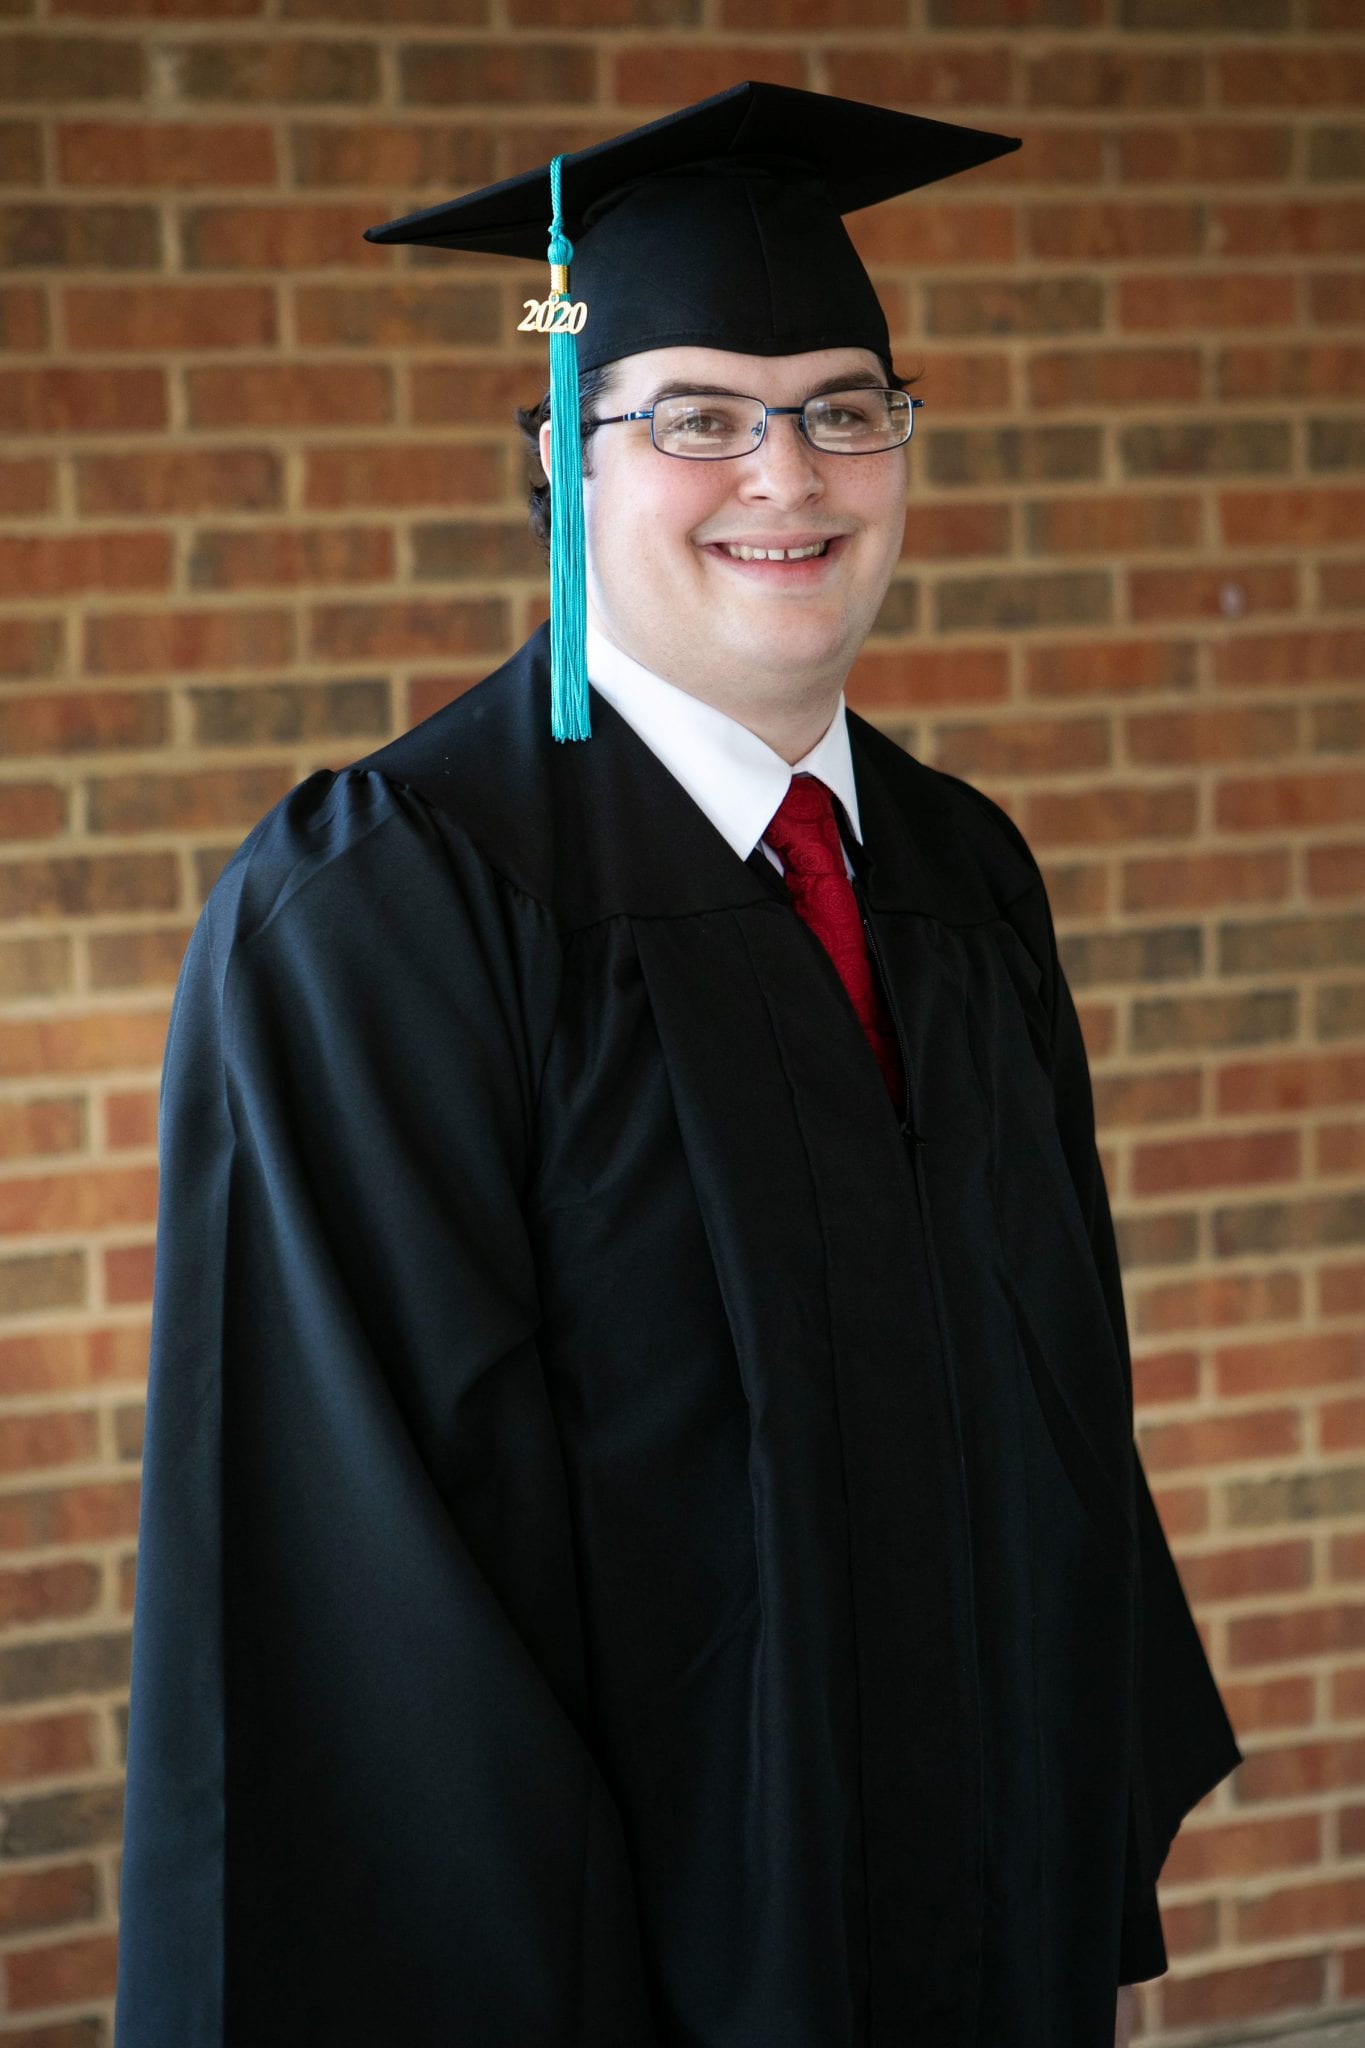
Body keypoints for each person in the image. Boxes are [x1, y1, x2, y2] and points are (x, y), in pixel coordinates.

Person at [114, 82, 1242, 2048]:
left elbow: (1064, 1431)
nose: (782, 476)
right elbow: (364, 1604)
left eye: (839, 407)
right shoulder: (393, 911)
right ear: (554, 458)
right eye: (695, 416)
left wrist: (1079, 1901)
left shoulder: (961, 879)